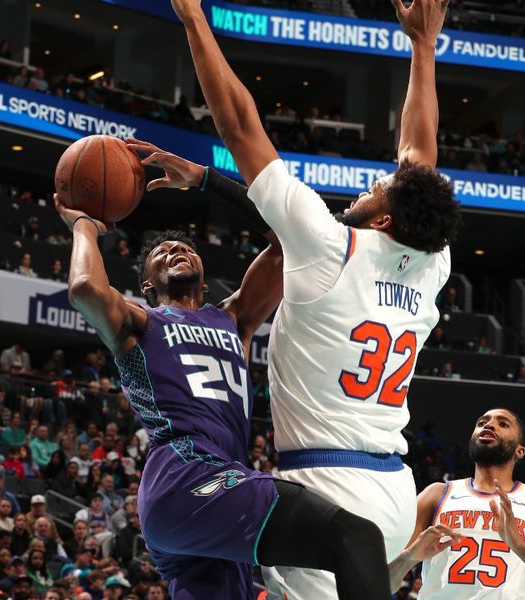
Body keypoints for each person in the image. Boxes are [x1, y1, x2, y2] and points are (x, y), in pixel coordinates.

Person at [164, 0, 460, 597]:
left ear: (383, 220)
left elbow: (240, 125)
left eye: (377, 187)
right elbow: (419, 162)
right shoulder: (433, 261)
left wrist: (193, 16)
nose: (371, 183)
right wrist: (422, 49)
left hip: (328, 489)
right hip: (392, 490)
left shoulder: (329, 245)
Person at [58, 91, 387, 600]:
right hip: (185, 475)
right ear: (147, 285)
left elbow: (289, 239)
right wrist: (84, 224)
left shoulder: (234, 317)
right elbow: (84, 289)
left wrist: (207, 179)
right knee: (353, 535)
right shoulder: (140, 323)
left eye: (183, 246)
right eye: (161, 253)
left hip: (217, 492)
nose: (175, 249)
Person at [388, 408, 525, 600]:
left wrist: (520, 546)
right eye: (482, 423)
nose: (489, 425)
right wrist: (407, 559)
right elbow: (383, 583)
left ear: (520, 451)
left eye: (503, 424)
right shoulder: (436, 494)